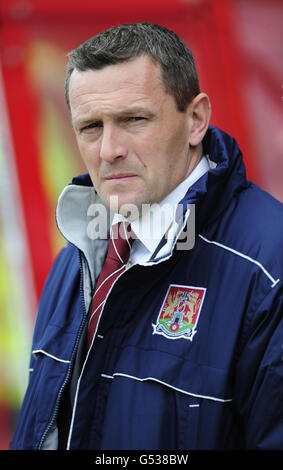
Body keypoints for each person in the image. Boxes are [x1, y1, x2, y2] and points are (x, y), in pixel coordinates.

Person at [11, 22, 283, 450]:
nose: (109, 150)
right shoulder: (79, 255)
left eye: (133, 119)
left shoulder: (269, 265)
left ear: (195, 120)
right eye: (91, 127)